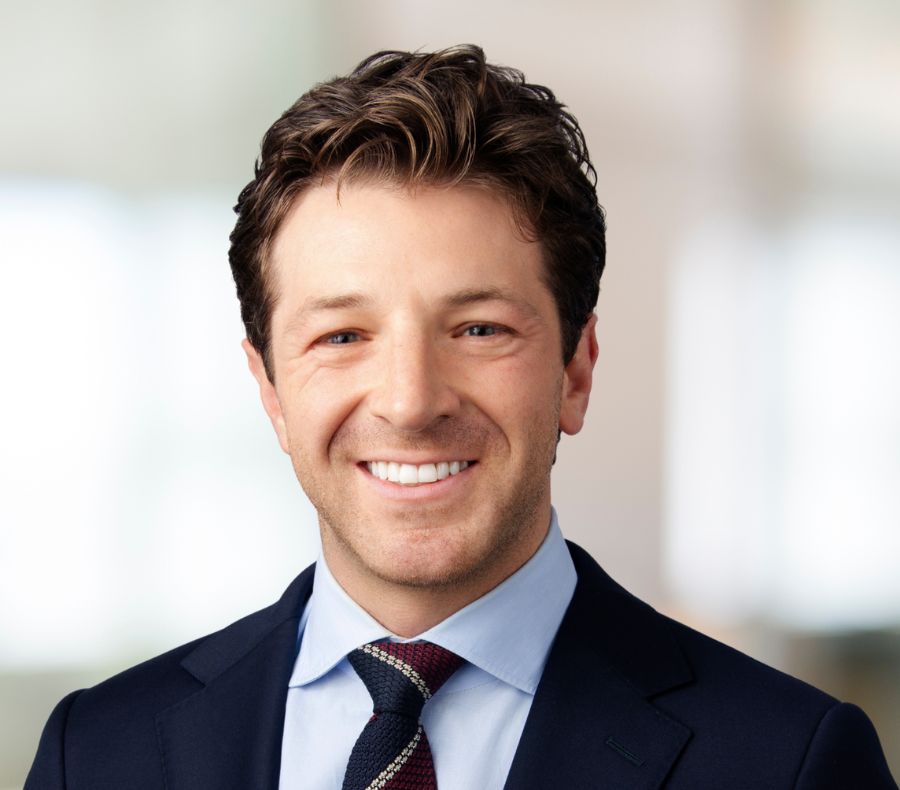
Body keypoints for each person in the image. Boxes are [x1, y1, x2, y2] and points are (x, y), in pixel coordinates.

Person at [26, 45, 896, 790]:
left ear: (576, 371)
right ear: (271, 391)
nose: (410, 401)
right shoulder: (98, 753)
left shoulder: (787, 763)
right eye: (341, 334)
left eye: (479, 329)